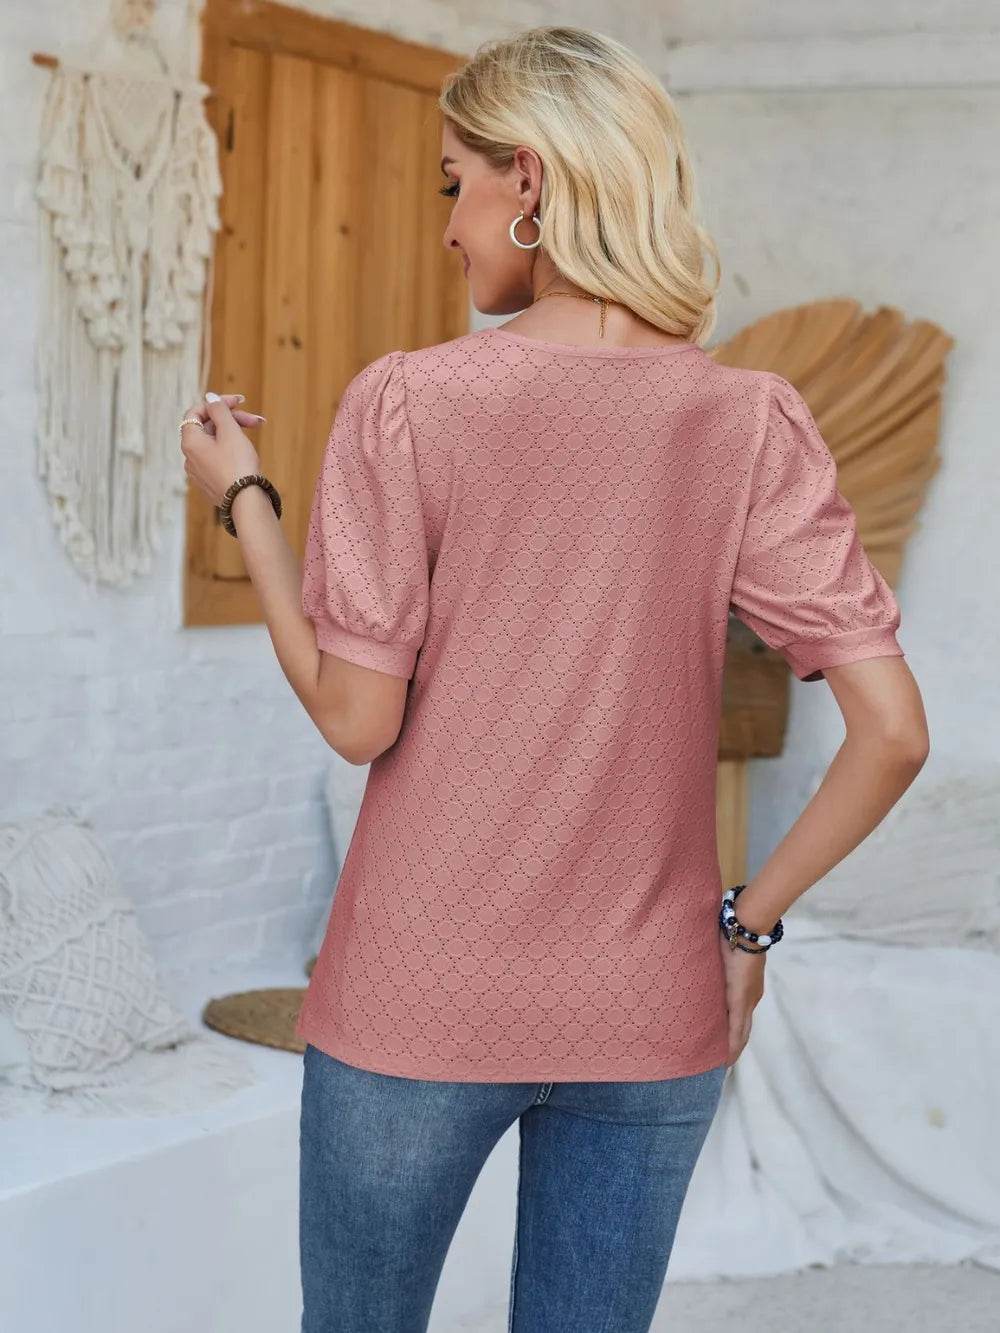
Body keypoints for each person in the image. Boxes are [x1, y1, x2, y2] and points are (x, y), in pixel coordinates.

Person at [179, 23, 930, 1333]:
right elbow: (895, 733)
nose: (448, 225)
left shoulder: (409, 401)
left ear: (527, 179)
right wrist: (748, 928)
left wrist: (246, 502)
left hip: (415, 998)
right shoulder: (749, 420)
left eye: (454, 182)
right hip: (648, 1009)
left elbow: (357, 717)